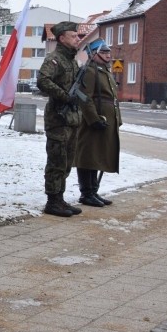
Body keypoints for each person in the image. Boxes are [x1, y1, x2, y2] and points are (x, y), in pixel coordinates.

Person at [37, 21, 83, 218]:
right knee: (56, 161)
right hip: (58, 117)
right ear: (62, 38)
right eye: (74, 36)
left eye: (77, 36)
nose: (77, 39)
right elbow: (43, 81)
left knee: (67, 161)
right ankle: (52, 201)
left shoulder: (72, 61)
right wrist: (65, 96)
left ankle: (60, 198)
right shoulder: (54, 59)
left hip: (71, 118)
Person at [74, 39, 121, 207]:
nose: (108, 55)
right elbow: (85, 98)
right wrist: (93, 119)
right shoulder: (90, 71)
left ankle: (93, 191)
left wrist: (117, 120)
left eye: (109, 52)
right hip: (92, 121)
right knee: (88, 156)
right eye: (104, 52)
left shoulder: (103, 71)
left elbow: (112, 99)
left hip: (104, 120)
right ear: (93, 54)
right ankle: (86, 193)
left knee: (97, 156)